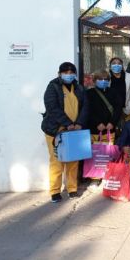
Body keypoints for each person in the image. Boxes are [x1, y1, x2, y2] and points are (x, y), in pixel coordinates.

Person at [41, 62, 88, 203]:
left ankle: (72, 188)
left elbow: (85, 106)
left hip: (75, 130)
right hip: (56, 130)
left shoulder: (79, 87)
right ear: (59, 73)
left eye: (71, 72)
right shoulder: (53, 87)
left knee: (74, 160)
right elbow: (52, 108)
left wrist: (79, 123)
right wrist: (67, 124)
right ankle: (55, 191)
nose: (69, 75)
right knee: (57, 160)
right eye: (65, 72)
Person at [86, 69, 123, 189]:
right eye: (100, 79)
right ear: (94, 81)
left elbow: (118, 109)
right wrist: (96, 123)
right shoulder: (89, 93)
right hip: (95, 130)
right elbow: (87, 111)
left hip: (109, 130)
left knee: (108, 153)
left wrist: (112, 123)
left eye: (106, 79)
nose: (103, 81)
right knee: (96, 154)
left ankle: (109, 174)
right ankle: (95, 178)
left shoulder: (114, 92)